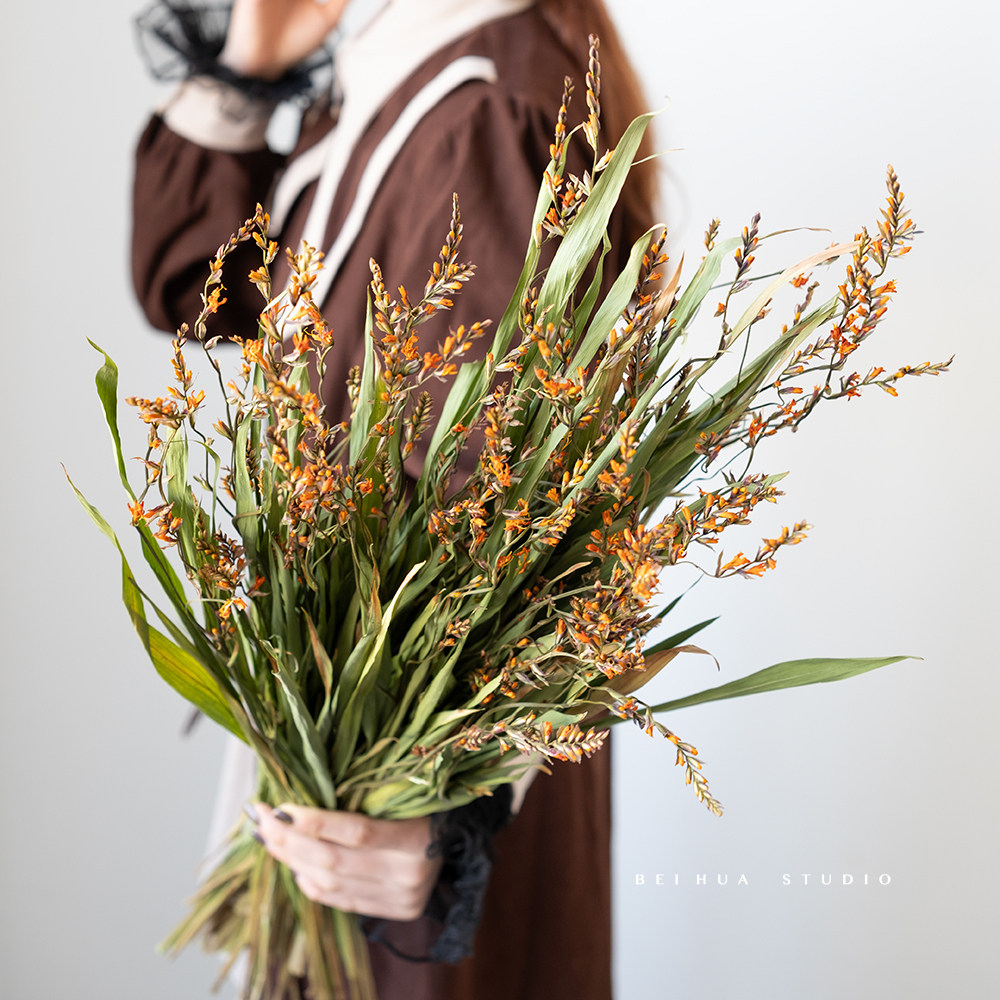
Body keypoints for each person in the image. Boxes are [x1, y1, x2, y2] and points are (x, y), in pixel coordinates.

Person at [131, 1, 656, 997]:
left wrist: (450, 818)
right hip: (348, 755)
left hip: (409, 783)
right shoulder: (414, 59)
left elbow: (519, 526)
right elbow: (193, 281)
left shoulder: (494, 106)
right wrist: (254, 60)